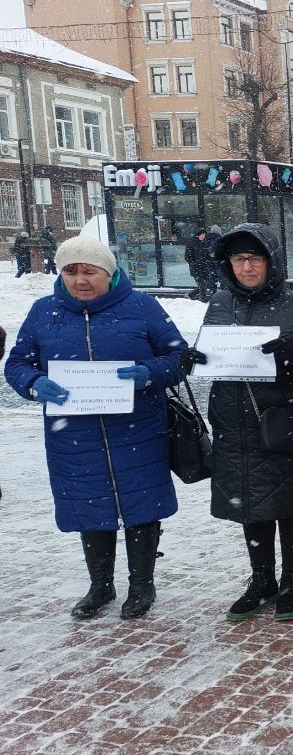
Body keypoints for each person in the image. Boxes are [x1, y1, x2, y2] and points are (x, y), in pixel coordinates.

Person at [5, 235, 188, 619]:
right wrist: (35, 383)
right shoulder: (43, 312)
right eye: (70, 271)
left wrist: (147, 373)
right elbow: (18, 363)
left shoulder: (142, 307)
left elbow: (178, 355)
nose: (80, 279)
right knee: (90, 505)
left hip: (137, 427)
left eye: (89, 271)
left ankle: (141, 585)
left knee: (140, 503)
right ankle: (100, 586)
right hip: (73, 432)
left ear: (109, 273)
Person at [180, 224, 293, 622]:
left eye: (254, 258)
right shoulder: (220, 302)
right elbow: (211, 351)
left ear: (271, 261)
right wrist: (194, 358)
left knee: (290, 503)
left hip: (284, 418)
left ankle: (292, 578)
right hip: (233, 419)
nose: (246, 267)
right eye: (238, 259)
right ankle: (261, 578)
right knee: (250, 503)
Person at [185, 229, 212, 301]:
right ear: (198, 235)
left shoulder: (205, 243)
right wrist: (195, 264)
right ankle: (202, 301)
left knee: (204, 285)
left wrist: (210, 258)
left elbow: (207, 255)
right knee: (202, 285)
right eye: (202, 235)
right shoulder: (191, 244)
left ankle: (191, 294)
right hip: (196, 269)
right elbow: (187, 257)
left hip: (204, 268)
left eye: (204, 235)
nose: (204, 237)